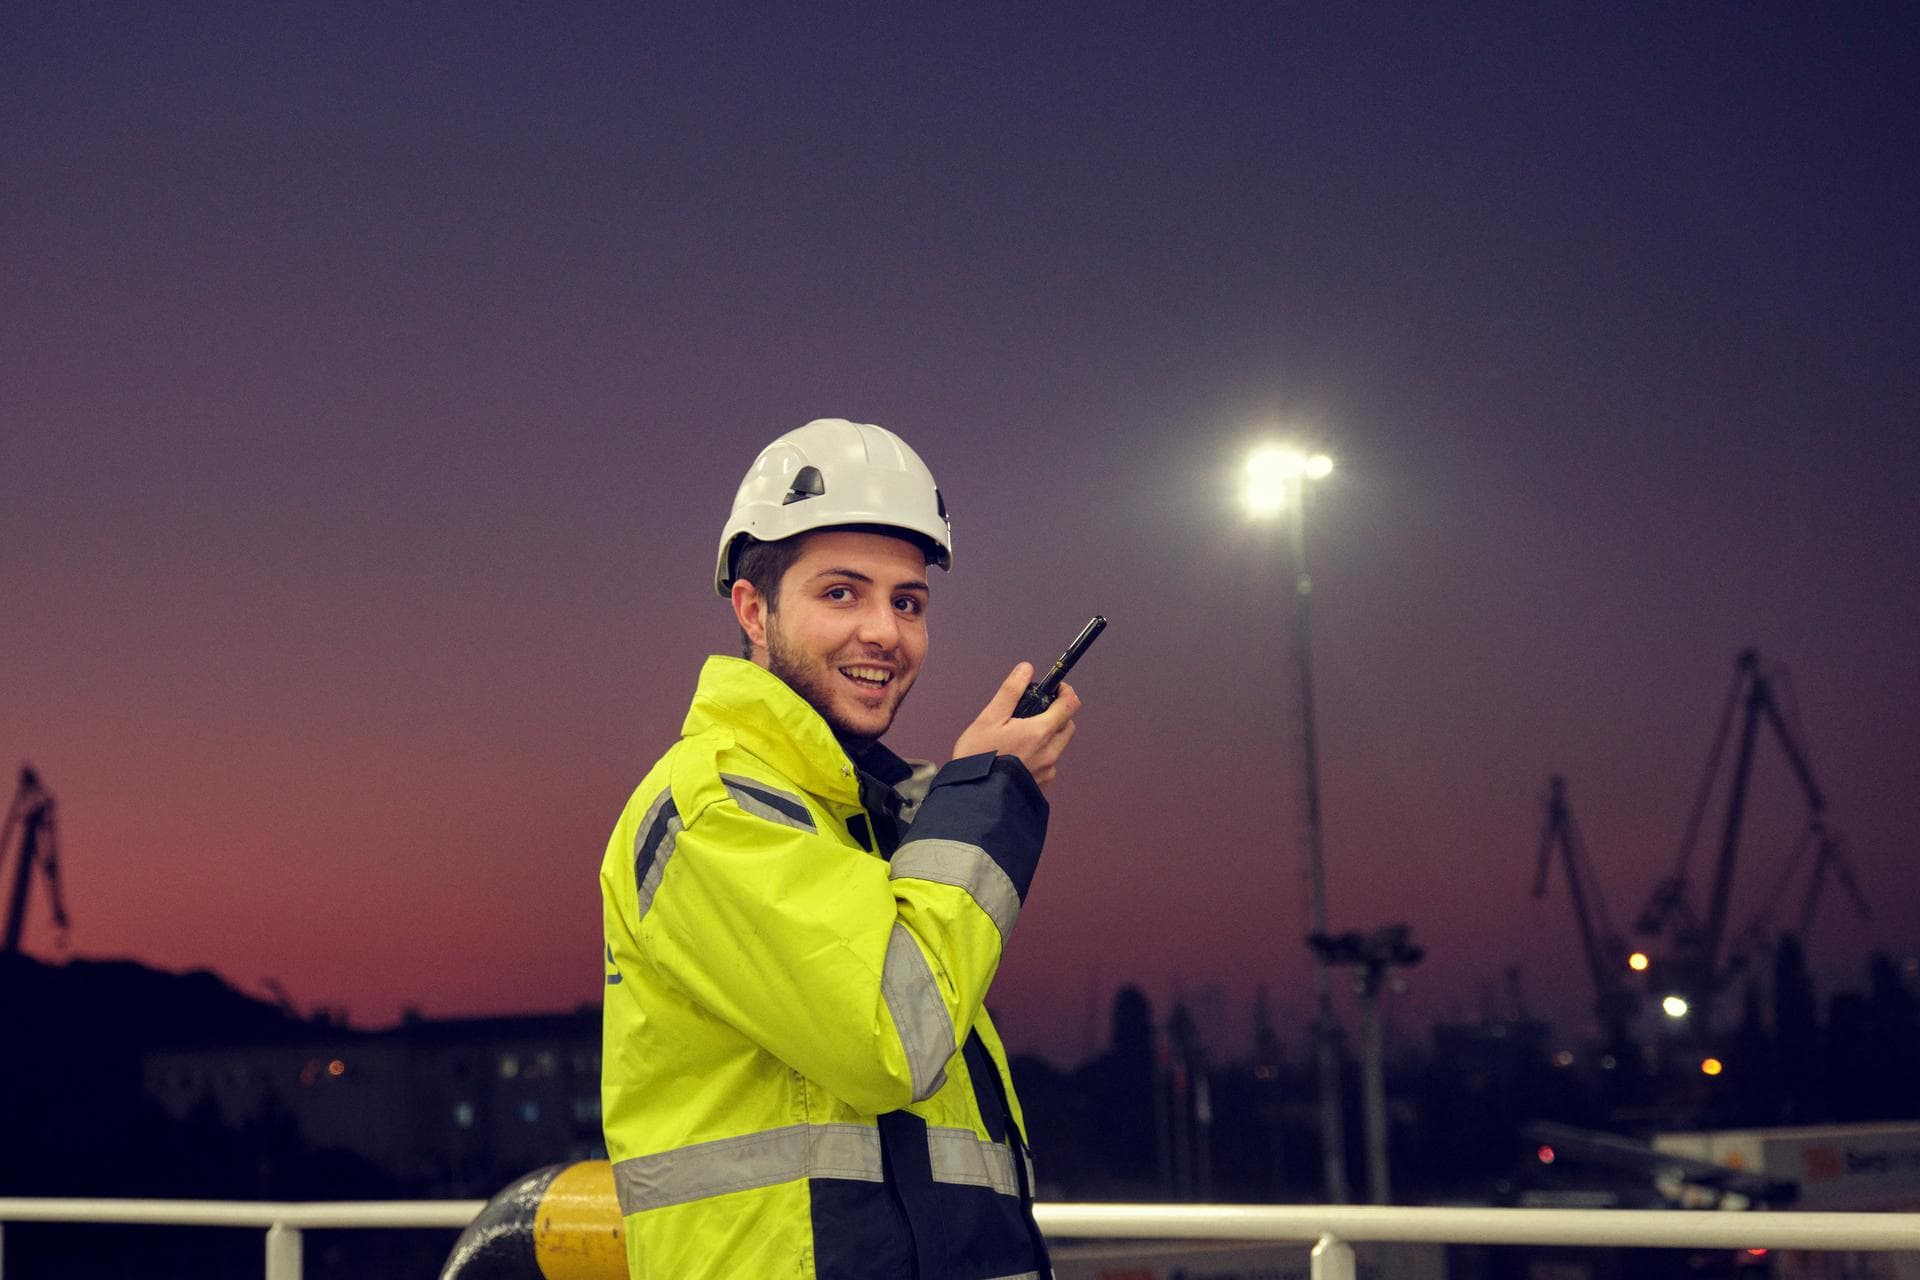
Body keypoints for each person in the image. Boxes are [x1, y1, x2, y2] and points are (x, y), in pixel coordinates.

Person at [600, 418, 1082, 1279]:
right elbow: (894, 1036)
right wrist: (984, 803)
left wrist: (960, 801)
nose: (885, 633)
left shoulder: (857, 817)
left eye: (908, 603)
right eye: (840, 594)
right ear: (753, 610)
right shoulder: (713, 806)